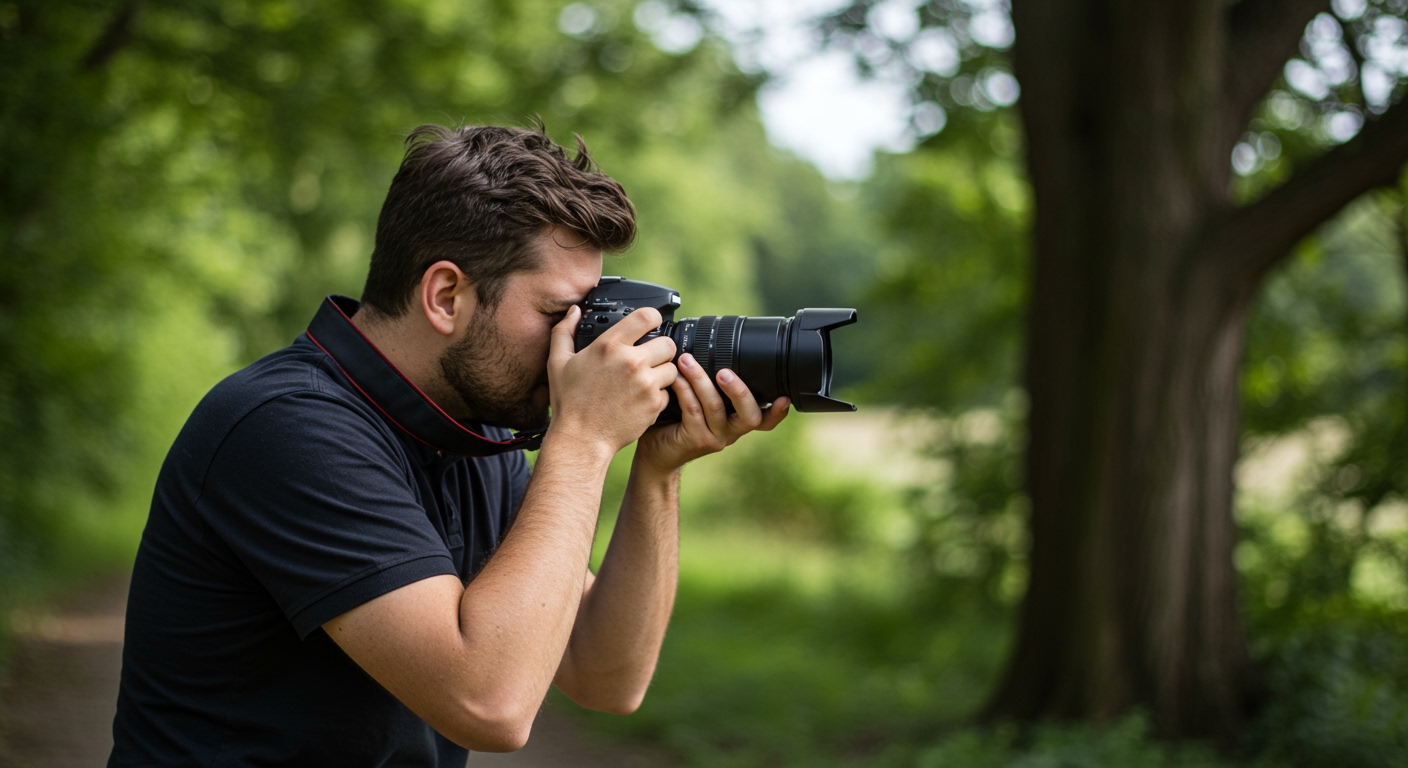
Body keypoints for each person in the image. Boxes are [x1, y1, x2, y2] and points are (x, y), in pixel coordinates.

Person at [108, 123, 789, 766]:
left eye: (589, 315)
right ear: (444, 296)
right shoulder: (286, 428)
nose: (577, 343)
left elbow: (604, 675)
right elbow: (489, 705)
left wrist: (657, 472)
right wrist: (581, 440)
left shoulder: (473, 429)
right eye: (557, 314)